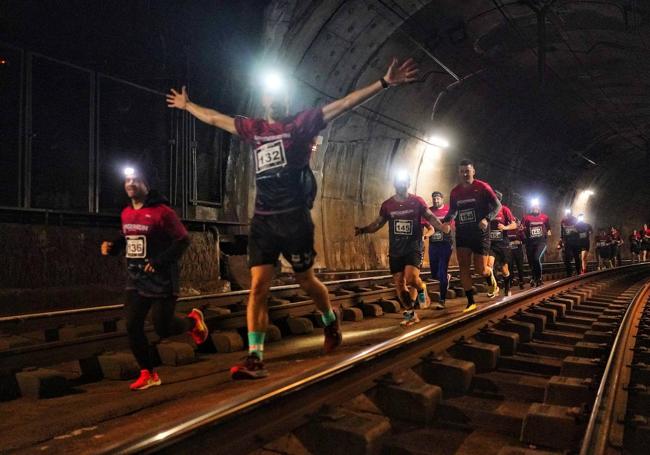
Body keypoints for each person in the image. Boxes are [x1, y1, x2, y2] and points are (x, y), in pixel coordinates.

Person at [168, 57, 419, 379]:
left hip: (295, 221)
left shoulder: (301, 125)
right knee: (258, 286)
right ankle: (255, 358)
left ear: (287, 101)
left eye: (281, 95)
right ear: (264, 101)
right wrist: (188, 105)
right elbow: (218, 120)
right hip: (263, 222)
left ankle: (330, 320)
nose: (275, 99)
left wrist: (383, 83)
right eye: (269, 95)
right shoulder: (255, 129)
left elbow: (342, 105)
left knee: (305, 280)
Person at [101, 166, 208, 391]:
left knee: (163, 328)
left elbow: (183, 240)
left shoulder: (163, 212)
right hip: (136, 278)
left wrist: (159, 261)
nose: (130, 183)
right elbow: (127, 236)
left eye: (135, 179)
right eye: (126, 180)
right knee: (132, 325)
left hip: (162, 279)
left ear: (146, 185)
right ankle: (148, 373)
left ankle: (193, 321)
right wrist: (113, 247)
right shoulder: (126, 212)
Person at [355, 173, 449, 326]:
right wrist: (363, 230)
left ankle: (421, 287)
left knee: (411, 278)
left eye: (404, 182)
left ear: (409, 183)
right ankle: (411, 313)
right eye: (398, 182)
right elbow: (378, 223)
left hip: (413, 246)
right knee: (399, 283)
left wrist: (442, 227)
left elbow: (430, 217)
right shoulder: (387, 205)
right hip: (396, 250)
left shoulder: (417, 201)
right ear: (394, 184)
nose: (401, 185)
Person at [443, 159, 501, 312]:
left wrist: (487, 219)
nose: (465, 174)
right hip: (463, 233)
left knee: (480, 269)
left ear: (473, 171)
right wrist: (447, 221)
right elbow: (453, 211)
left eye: (467, 171)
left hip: (480, 233)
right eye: (462, 171)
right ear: (459, 172)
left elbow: (497, 206)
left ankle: (490, 278)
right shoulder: (455, 192)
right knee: (463, 266)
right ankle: (470, 302)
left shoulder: (482, 187)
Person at [427, 191, 454, 309]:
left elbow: (448, 228)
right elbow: (425, 224)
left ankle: (442, 300)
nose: (436, 201)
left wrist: (441, 227)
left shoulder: (449, 210)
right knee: (434, 274)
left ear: (442, 199)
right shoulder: (428, 211)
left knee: (442, 272)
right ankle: (447, 277)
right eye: (434, 199)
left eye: (438, 199)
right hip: (433, 244)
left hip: (445, 244)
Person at [487, 191, 517, 296]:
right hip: (491, 243)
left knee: (504, 270)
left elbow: (514, 225)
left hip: (502, 244)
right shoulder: (487, 210)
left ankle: (507, 288)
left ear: (498, 199)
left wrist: (505, 227)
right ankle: (494, 288)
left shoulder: (504, 209)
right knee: (488, 266)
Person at [522, 199, 551, 287]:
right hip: (530, 243)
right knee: (531, 262)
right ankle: (533, 277)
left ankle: (539, 278)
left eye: (537, 206)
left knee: (536, 258)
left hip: (541, 242)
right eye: (534, 206)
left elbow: (548, 227)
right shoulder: (526, 217)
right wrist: (523, 236)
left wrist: (549, 232)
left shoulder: (545, 217)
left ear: (539, 207)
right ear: (531, 208)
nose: (535, 208)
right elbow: (522, 228)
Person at [560, 209, 582, 277]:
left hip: (575, 241)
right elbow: (562, 231)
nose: (568, 214)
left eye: (569, 213)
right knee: (567, 258)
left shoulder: (575, 220)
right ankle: (569, 273)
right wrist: (562, 240)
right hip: (568, 242)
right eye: (567, 213)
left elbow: (579, 230)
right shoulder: (563, 221)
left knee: (576, 257)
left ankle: (578, 272)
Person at [507, 218, 527, 289]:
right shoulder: (507, 230)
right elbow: (504, 240)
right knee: (510, 267)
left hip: (518, 251)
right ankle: (510, 282)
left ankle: (521, 282)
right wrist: (509, 243)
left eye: (516, 222)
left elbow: (524, 240)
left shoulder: (519, 231)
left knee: (520, 267)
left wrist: (519, 242)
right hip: (510, 251)